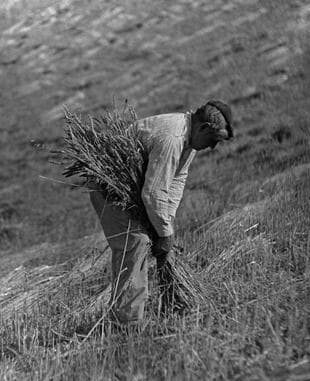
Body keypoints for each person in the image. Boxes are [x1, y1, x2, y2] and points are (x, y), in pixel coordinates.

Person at [89, 100, 234, 323]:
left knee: (148, 239)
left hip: (135, 191)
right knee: (135, 244)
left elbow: (177, 178)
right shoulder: (172, 139)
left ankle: (170, 310)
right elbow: (153, 194)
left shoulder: (190, 139)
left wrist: (166, 224)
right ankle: (127, 323)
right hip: (109, 187)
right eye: (214, 140)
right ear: (203, 128)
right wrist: (165, 234)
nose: (212, 147)